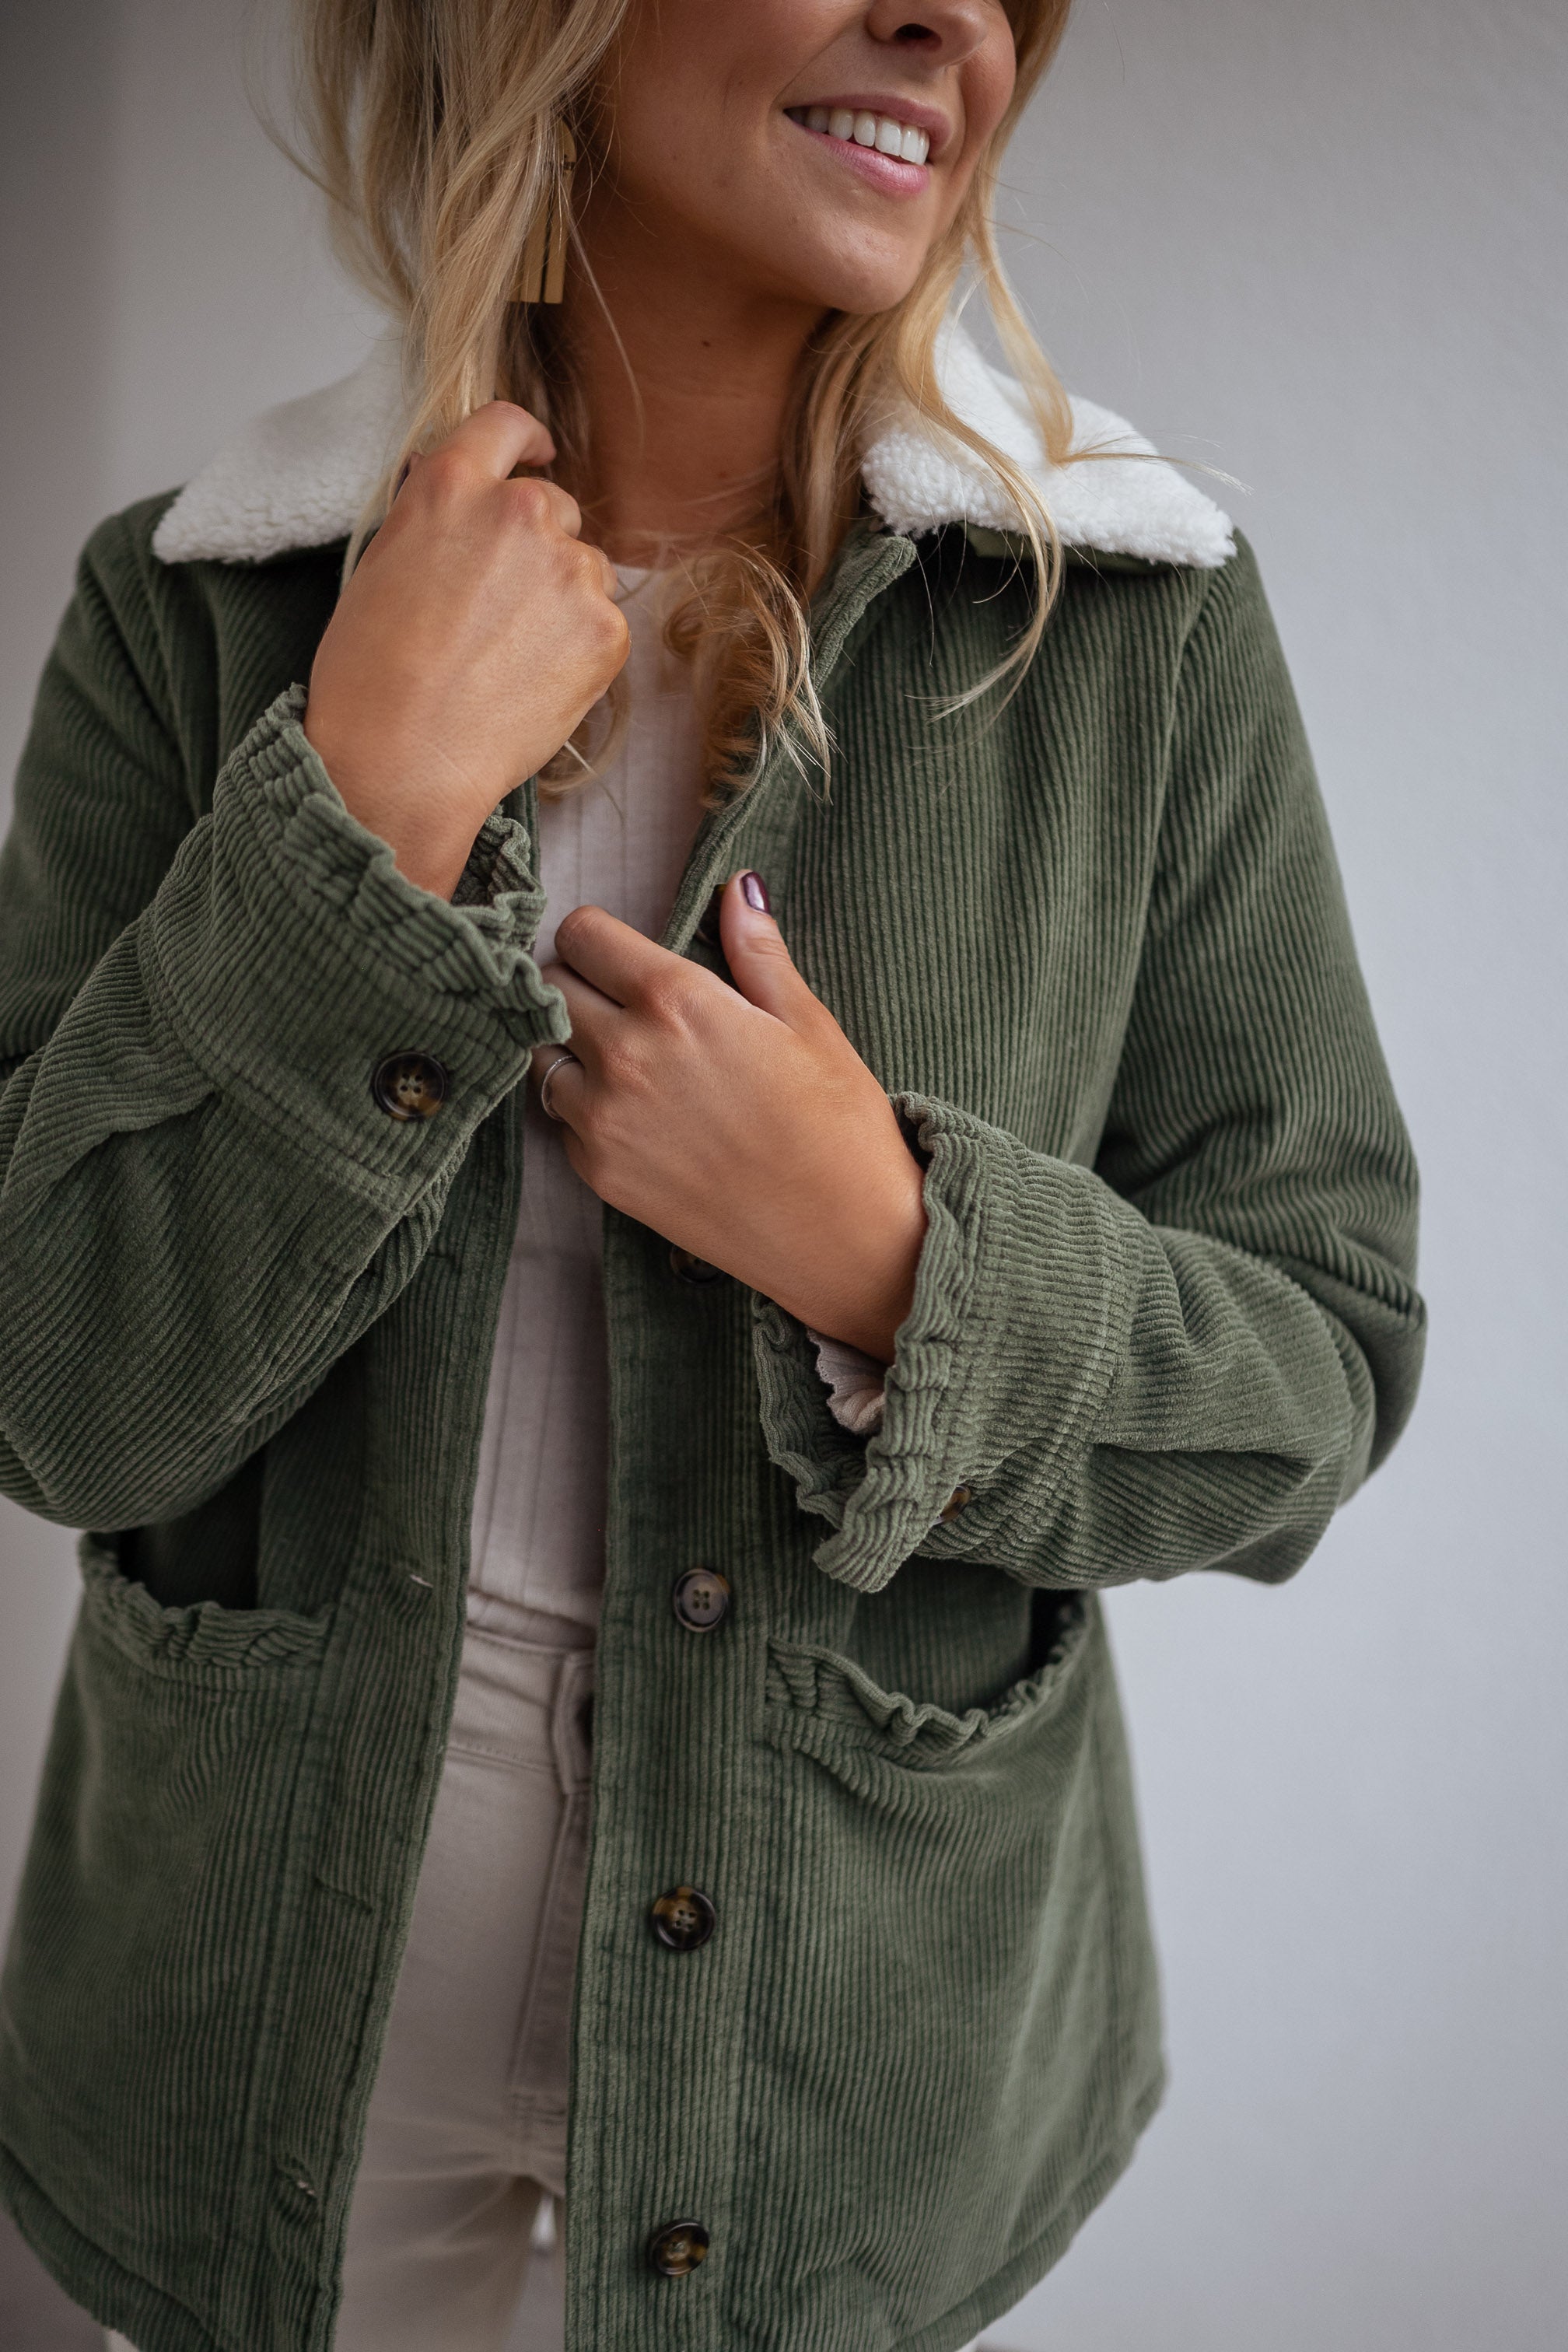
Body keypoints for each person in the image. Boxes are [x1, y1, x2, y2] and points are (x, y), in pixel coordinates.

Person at [0, 2, 1426, 2348]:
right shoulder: (202, 608)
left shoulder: (1129, 633)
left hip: (855, 2059)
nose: (943, 21)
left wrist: (893, 1260)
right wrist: (349, 814)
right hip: (263, 2027)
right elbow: (49, 1381)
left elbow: (1316, 1379)